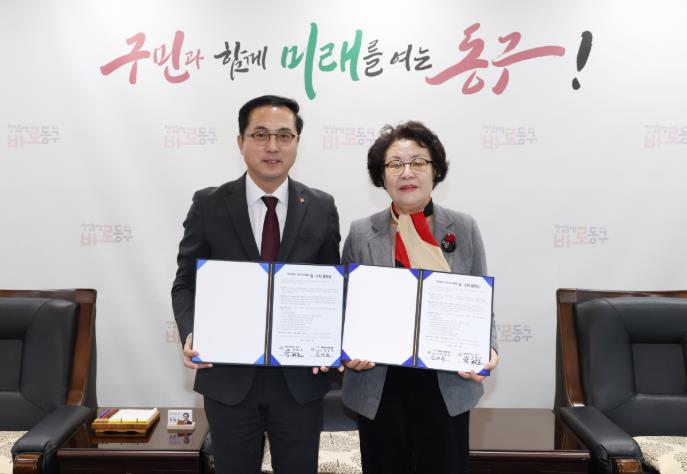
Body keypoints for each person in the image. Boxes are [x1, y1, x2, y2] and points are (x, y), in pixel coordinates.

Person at [171, 95, 341, 474]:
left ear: (297, 142)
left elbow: (332, 287)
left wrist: (329, 340)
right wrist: (191, 331)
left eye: (284, 136)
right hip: (228, 378)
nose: (272, 146)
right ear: (241, 142)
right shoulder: (209, 204)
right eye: (260, 135)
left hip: (299, 381)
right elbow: (185, 284)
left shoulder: (321, 206)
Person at [341, 121, 499, 474]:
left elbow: (480, 303)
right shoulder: (361, 232)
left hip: (445, 385)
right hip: (379, 386)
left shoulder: (464, 227)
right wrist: (348, 350)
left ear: (436, 170)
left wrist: (488, 349)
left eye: (418, 162)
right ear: (381, 176)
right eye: (395, 164)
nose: (407, 172)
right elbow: (346, 307)